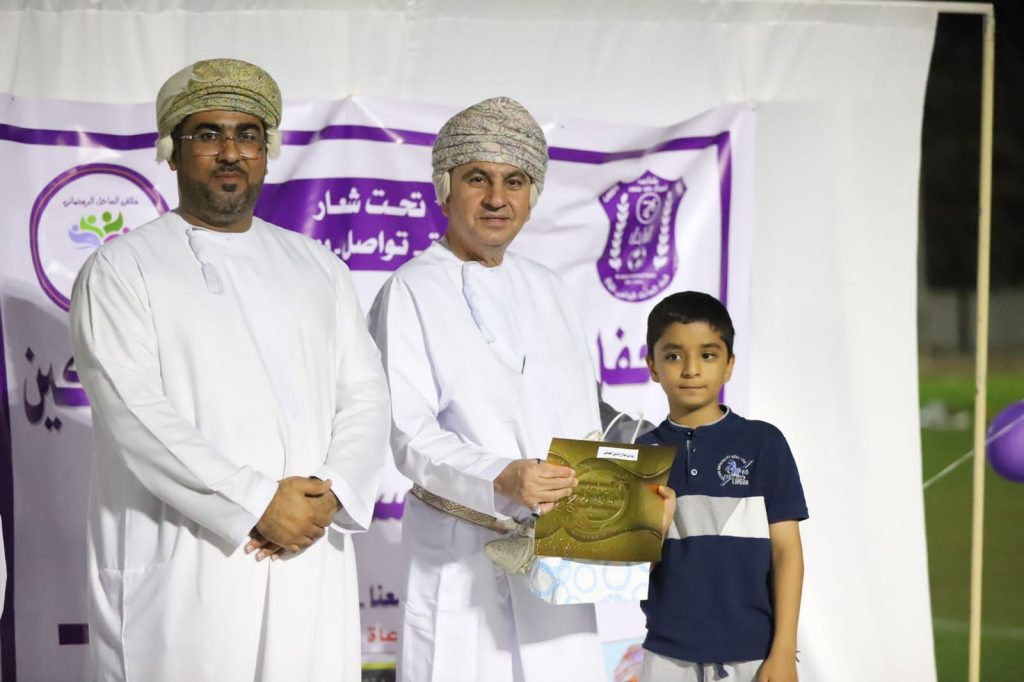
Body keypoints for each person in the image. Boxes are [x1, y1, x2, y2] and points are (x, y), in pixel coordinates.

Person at [69, 58, 391, 682]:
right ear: (172, 151)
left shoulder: (318, 267)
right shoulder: (121, 268)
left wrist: (330, 493)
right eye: (208, 134)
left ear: (267, 153)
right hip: (191, 563)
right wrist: (255, 501)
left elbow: (365, 394)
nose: (230, 152)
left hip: (307, 554)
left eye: (248, 135)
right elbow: (135, 412)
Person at [367, 96, 612, 682]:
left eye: (515, 181)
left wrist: (631, 497)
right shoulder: (409, 291)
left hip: (559, 549)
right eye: (478, 178)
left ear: (532, 197)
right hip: (458, 551)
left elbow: (587, 423)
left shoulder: (551, 290)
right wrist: (500, 477)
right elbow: (407, 434)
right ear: (444, 190)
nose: (497, 198)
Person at [637, 292, 808, 682]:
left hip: (754, 656)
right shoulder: (641, 455)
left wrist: (784, 651)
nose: (691, 370)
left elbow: (787, 553)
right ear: (652, 366)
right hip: (665, 657)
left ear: (729, 365)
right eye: (674, 355)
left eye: (708, 355)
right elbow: (628, 571)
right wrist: (651, 533)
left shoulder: (764, 443)